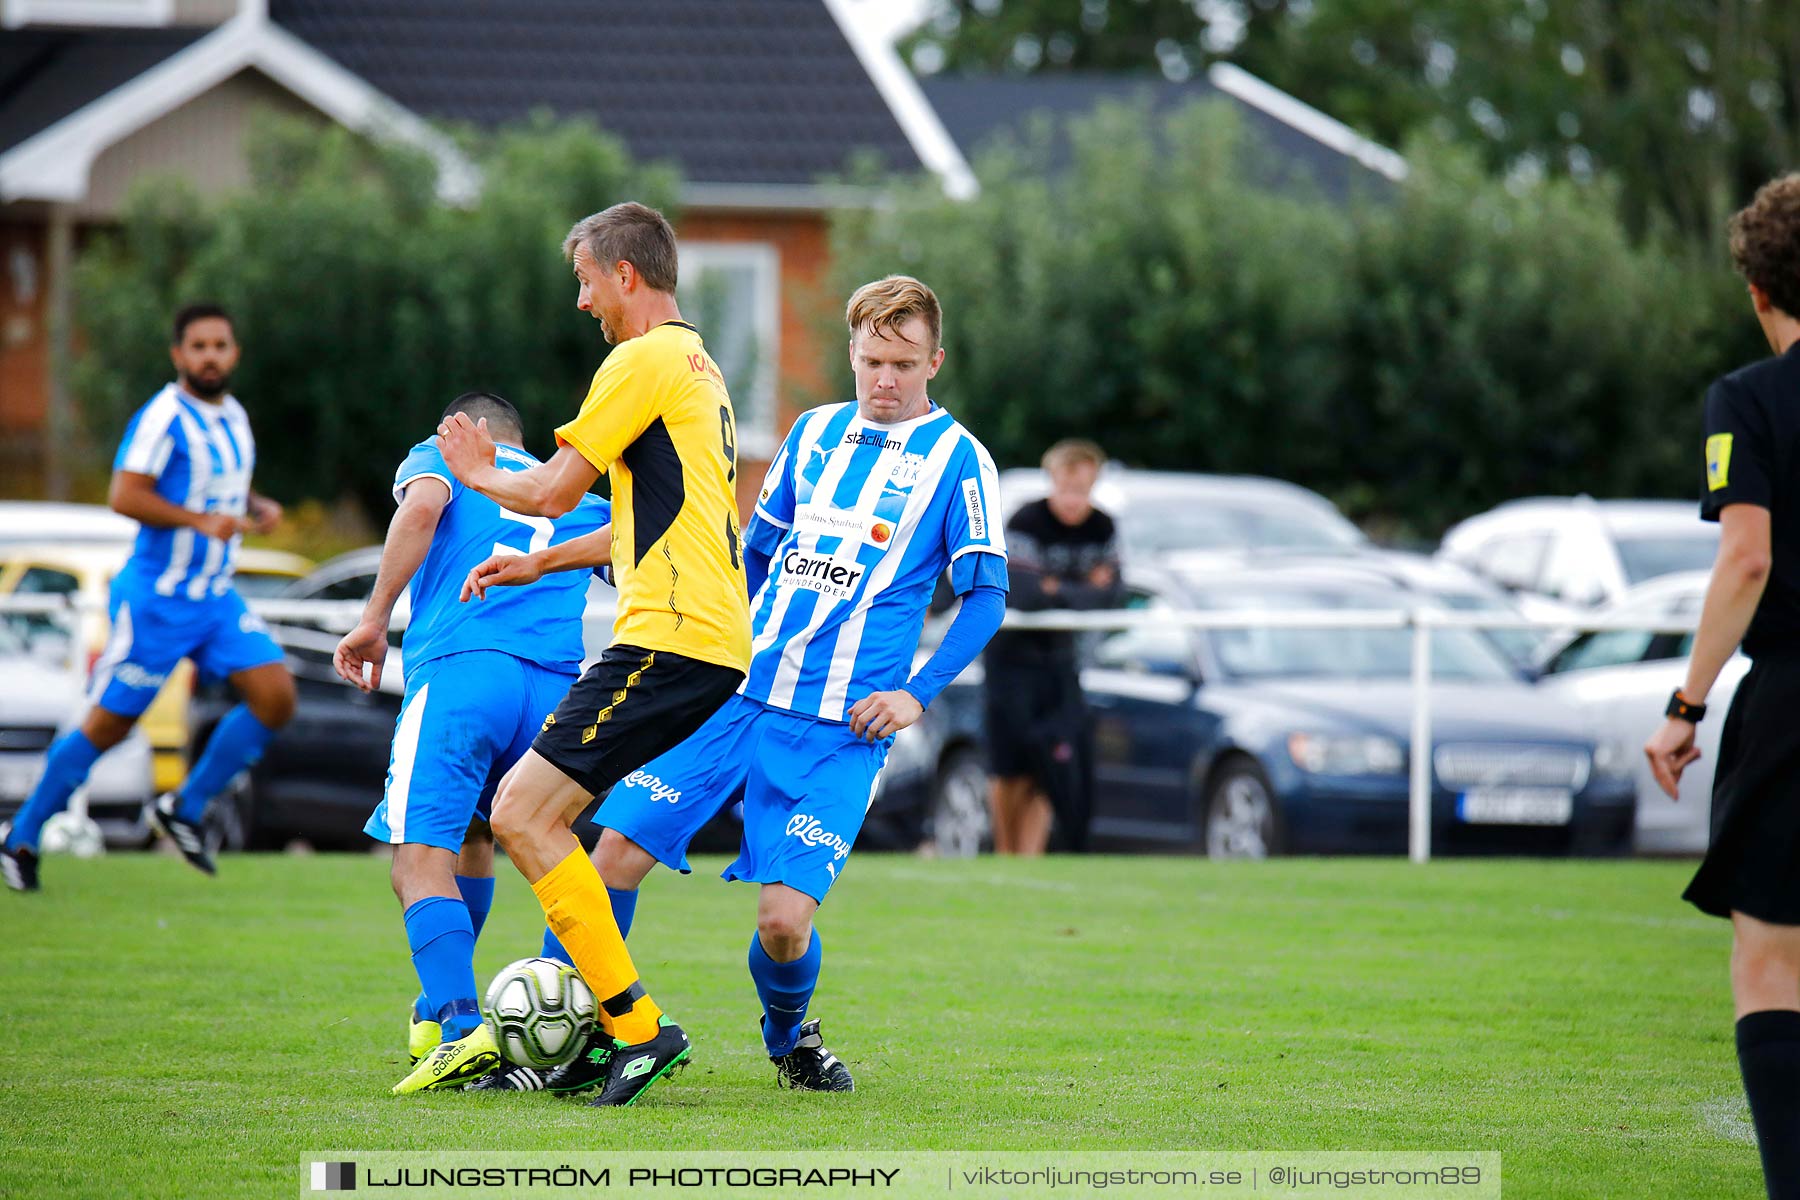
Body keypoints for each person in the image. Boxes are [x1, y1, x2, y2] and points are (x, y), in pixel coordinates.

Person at [460, 274, 1008, 1092]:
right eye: (870, 362)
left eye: (902, 363)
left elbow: (985, 597)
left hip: (840, 726)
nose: (885, 380)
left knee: (784, 924)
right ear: (852, 355)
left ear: (936, 360)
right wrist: (549, 560)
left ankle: (788, 1035)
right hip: (735, 695)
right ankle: (584, 1038)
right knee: (609, 855)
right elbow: (739, 551)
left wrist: (915, 694)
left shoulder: (961, 460)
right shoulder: (815, 433)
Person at [435, 201, 750, 1107]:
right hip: (699, 638)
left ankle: (638, 1029)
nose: (581, 301)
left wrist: (478, 470)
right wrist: (538, 563)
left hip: (671, 637)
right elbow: (633, 519)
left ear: (625, 275)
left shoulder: (640, 357)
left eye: (584, 279)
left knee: (522, 813)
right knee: (533, 814)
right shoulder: (697, 364)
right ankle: (627, 1029)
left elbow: (547, 487)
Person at [330, 392, 611, 1094]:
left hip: (465, 672)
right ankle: (537, 1026)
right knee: (496, 844)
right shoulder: (576, 492)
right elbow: (639, 561)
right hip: (553, 695)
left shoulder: (446, 453)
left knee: (419, 860)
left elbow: (420, 509)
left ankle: (461, 1033)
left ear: (472, 432)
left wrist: (373, 620)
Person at [1, 304, 295, 892]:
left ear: (234, 353)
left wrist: (253, 505)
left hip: (214, 599)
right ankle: (20, 838)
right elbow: (125, 494)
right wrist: (197, 520)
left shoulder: (233, 415)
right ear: (178, 355)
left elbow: (218, 486)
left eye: (220, 345)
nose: (210, 356)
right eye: (198, 346)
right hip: (156, 603)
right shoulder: (163, 416)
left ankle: (185, 808)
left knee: (276, 697)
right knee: (109, 726)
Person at [1644, 174, 1800, 1200]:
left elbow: (1747, 559)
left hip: (1796, 707)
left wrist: (1688, 705)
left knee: (1775, 961)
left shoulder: (1746, 400)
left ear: (1756, 288)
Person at [982, 439, 1121, 856]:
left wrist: (1056, 588)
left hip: (1062, 661)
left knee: (1051, 764)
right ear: (1052, 481)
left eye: (1084, 489)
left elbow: (1112, 595)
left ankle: (1031, 857)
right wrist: (1081, 587)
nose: (1075, 500)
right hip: (1011, 659)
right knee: (1010, 765)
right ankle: (1006, 853)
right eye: (1068, 488)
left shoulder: (1104, 527)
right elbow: (1024, 592)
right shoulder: (1026, 521)